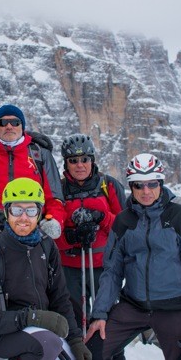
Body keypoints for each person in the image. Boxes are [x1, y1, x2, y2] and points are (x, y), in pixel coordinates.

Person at [84, 153, 181, 360]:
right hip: (133, 306)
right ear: (131, 186)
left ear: (160, 183)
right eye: (138, 185)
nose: (146, 191)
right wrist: (99, 314)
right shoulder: (124, 221)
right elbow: (112, 271)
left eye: (152, 184)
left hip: (173, 307)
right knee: (89, 352)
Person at [0, 178, 92, 360]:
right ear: (6, 212)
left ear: (39, 213)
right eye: (17, 210)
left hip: (40, 329)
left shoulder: (46, 246)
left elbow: (60, 298)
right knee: (46, 346)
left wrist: (75, 340)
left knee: (72, 356)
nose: (23, 218)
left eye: (31, 210)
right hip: (2, 335)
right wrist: (31, 318)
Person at [55, 134, 126, 328]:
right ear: (66, 163)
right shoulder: (58, 190)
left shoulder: (108, 185)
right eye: (73, 160)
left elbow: (125, 226)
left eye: (84, 159)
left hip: (104, 267)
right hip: (70, 268)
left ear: (92, 160)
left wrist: (101, 217)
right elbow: (51, 232)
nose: (80, 165)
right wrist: (71, 237)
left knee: (108, 319)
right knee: (75, 322)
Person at [0, 104, 65, 239]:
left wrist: (54, 220)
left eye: (15, 122)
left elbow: (55, 197)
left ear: (22, 126)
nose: (9, 126)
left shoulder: (39, 154)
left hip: (32, 229)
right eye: (3, 122)